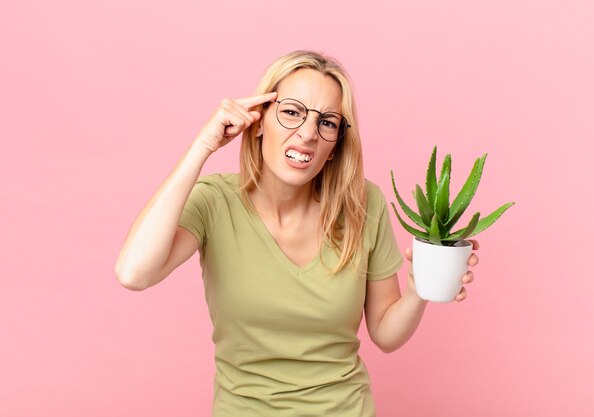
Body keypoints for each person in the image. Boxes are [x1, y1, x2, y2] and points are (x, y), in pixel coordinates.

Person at [114, 50, 478, 417]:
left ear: (335, 146)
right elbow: (134, 273)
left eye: (328, 122)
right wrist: (203, 146)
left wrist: (419, 290)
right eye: (291, 112)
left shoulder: (363, 203)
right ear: (257, 123)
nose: (307, 133)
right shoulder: (215, 201)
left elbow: (385, 333)